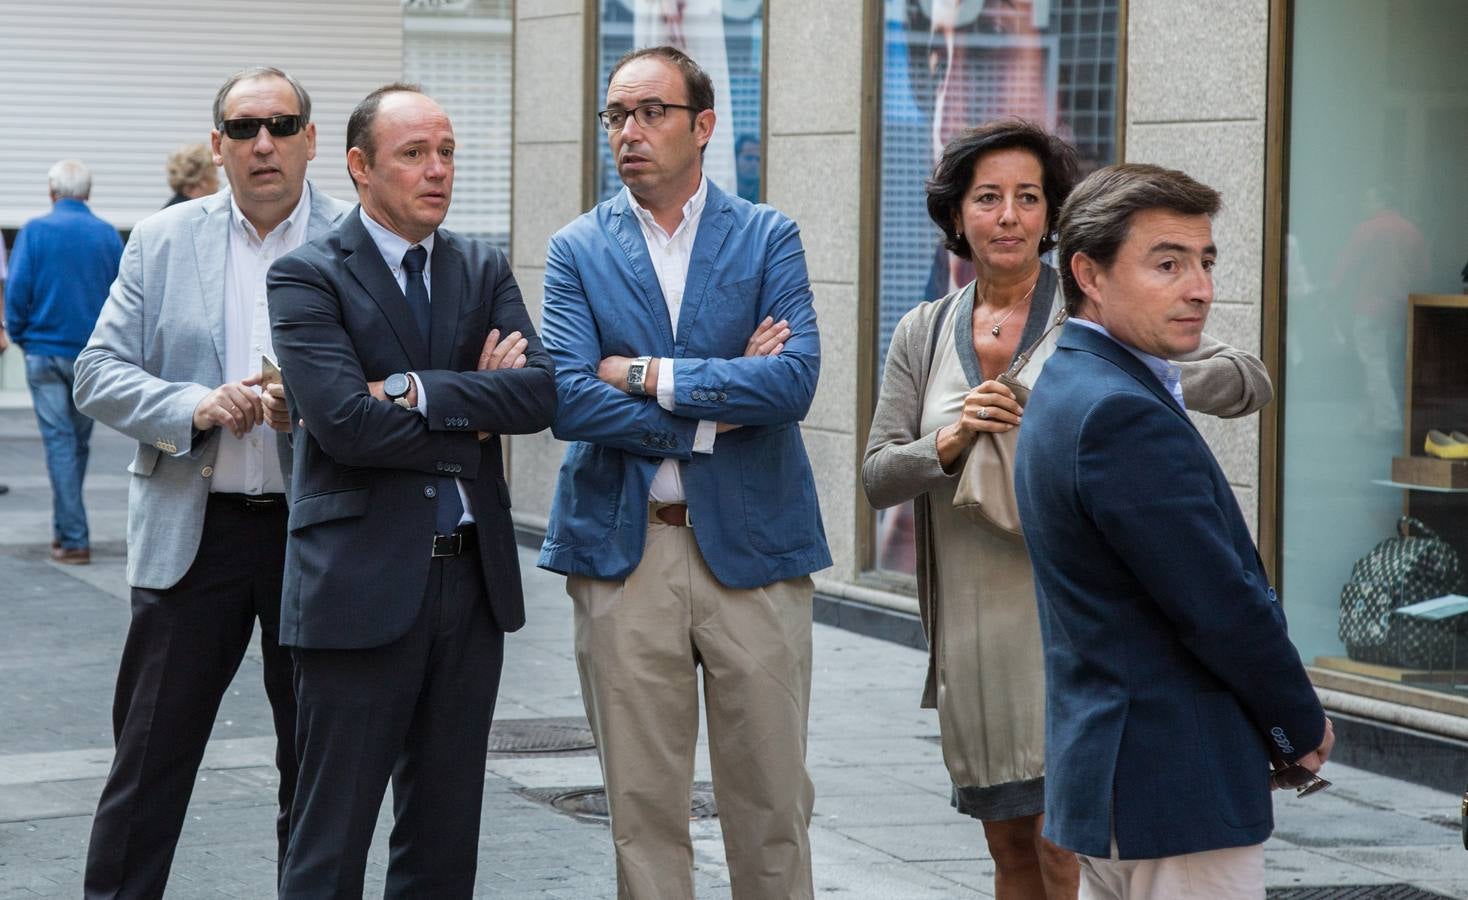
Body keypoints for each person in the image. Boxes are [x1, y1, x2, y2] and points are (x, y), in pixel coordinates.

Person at [862, 120, 1274, 900]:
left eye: (1028, 197)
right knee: (1010, 851)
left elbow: (1247, 378)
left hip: (1070, 627)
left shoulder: (1091, 314)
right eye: (989, 198)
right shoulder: (924, 328)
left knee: (1067, 855)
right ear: (958, 216)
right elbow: (879, 475)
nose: (1010, 216)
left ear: (1053, 217)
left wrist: (1091, 391)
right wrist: (949, 441)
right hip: (974, 633)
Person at [539, 45, 828, 899]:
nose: (629, 132)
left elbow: (793, 381)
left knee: (772, 805)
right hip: (624, 555)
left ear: (702, 126)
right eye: (616, 116)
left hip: (757, 551)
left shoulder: (767, 234)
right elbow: (566, 400)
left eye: (650, 113)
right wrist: (713, 413)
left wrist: (642, 373)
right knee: (642, 811)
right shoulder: (577, 247)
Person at [1013, 162, 1334, 899]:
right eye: (1168, 263)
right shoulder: (1116, 411)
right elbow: (1219, 605)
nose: (1201, 287)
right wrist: (1298, 723)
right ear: (1088, 273)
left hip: (1122, 779)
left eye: (1206, 261)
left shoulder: (1075, 381)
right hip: (1173, 782)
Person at [267, 83, 555, 896]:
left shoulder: (480, 264)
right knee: (331, 842)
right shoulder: (307, 276)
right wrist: (471, 401)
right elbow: (343, 427)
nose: (438, 170)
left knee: (443, 839)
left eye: (448, 152)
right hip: (358, 585)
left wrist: (411, 391)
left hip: (471, 584)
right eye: (415, 154)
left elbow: (539, 396)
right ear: (359, 167)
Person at [73, 66, 350, 897]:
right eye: (242, 128)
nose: (261, 143)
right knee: (149, 759)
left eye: (280, 124)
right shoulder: (162, 241)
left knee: (316, 764)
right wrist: (195, 403)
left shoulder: (354, 238)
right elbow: (95, 374)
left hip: (319, 531)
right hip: (195, 533)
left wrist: (312, 405)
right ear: (218, 145)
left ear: (309, 138)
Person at [6, 160, 122, 565]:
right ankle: (66, 530)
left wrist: (20, 335)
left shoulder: (35, 231)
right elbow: (121, 297)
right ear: (87, 194)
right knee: (76, 444)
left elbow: (17, 291)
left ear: (51, 192)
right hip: (91, 356)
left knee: (60, 445)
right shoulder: (107, 235)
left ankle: (73, 539)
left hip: (44, 352)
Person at [164, 142, 220, 206]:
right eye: (214, 173)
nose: (218, 181)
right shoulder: (193, 212)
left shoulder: (173, 207)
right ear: (202, 180)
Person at [734, 132, 760, 202]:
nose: (754, 164)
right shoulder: (724, 189)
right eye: (749, 158)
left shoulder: (763, 193)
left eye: (758, 159)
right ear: (735, 160)